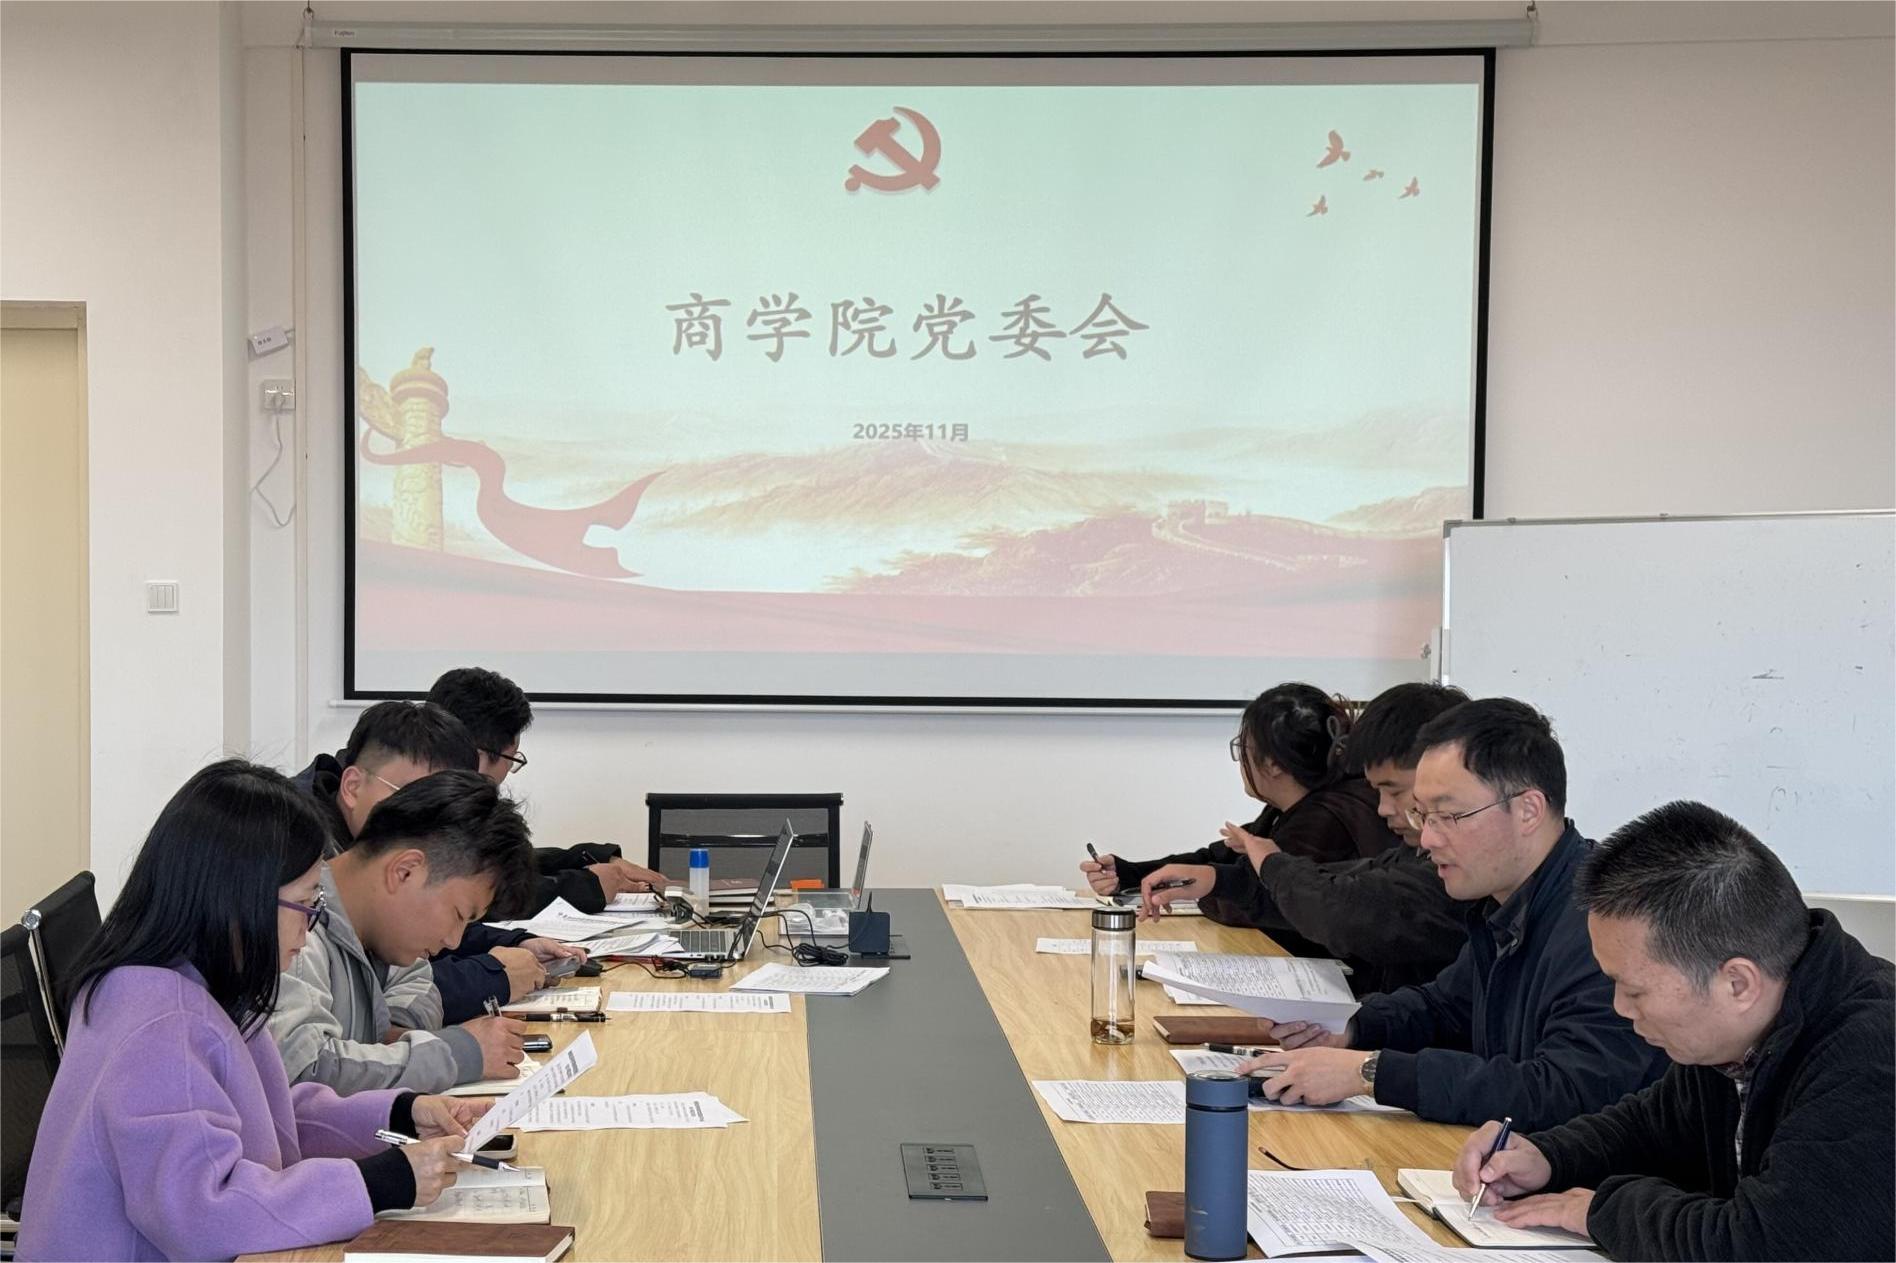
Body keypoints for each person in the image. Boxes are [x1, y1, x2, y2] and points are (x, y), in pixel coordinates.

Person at [17, 761, 482, 1261]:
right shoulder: (163, 1025)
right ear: (241, 900)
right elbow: (203, 1214)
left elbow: (264, 1118)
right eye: (306, 905)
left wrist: (401, 1114)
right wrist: (378, 1183)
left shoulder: (200, 984)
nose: (309, 929)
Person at [1450, 801, 1894, 1260]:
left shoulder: (1871, 1061)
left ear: (1737, 983)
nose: (1620, 1007)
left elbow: (1764, 1246)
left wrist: (1600, 1210)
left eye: (1634, 990)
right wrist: (1547, 1157)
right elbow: (1653, 1127)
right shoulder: (1740, 1035)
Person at [1241, 698, 1666, 1130]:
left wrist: (1370, 1073)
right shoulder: (1504, 902)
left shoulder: (1607, 924)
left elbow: (1562, 1090)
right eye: (1423, 815)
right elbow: (1444, 1008)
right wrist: (1348, 1027)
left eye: (1448, 816)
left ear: (1528, 810)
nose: (1427, 838)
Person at [293, 700, 582, 1022]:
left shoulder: (382, 870)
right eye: (413, 796)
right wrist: (490, 978)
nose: (423, 816)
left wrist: (515, 941)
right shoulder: (293, 872)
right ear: (353, 786)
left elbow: (416, 964)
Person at [270, 770, 536, 1094]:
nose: (453, 940)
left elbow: (419, 982)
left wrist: (394, 1043)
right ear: (405, 871)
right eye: (458, 915)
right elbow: (305, 1071)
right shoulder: (295, 931)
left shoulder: (384, 932)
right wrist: (454, 1054)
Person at [1210, 682, 1476, 993]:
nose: (1382, 808)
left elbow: (1340, 908)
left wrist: (1269, 863)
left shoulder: (1457, 875)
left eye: (1395, 791)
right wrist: (1220, 880)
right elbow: (1344, 878)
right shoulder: (1415, 851)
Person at [1079, 683, 1398, 926]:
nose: (1241, 759)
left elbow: (1247, 903)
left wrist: (1206, 885)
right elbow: (1218, 858)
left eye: (1244, 747)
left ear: (1273, 764)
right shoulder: (1289, 807)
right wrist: (1130, 874)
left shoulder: (1325, 820)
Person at [428, 666, 667, 911]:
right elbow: (485, 898)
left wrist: (586, 858)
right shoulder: (422, 814)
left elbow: (499, 865)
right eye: (511, 759)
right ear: (477, 756)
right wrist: (584, 886)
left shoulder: (436, 795)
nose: (508, 773)